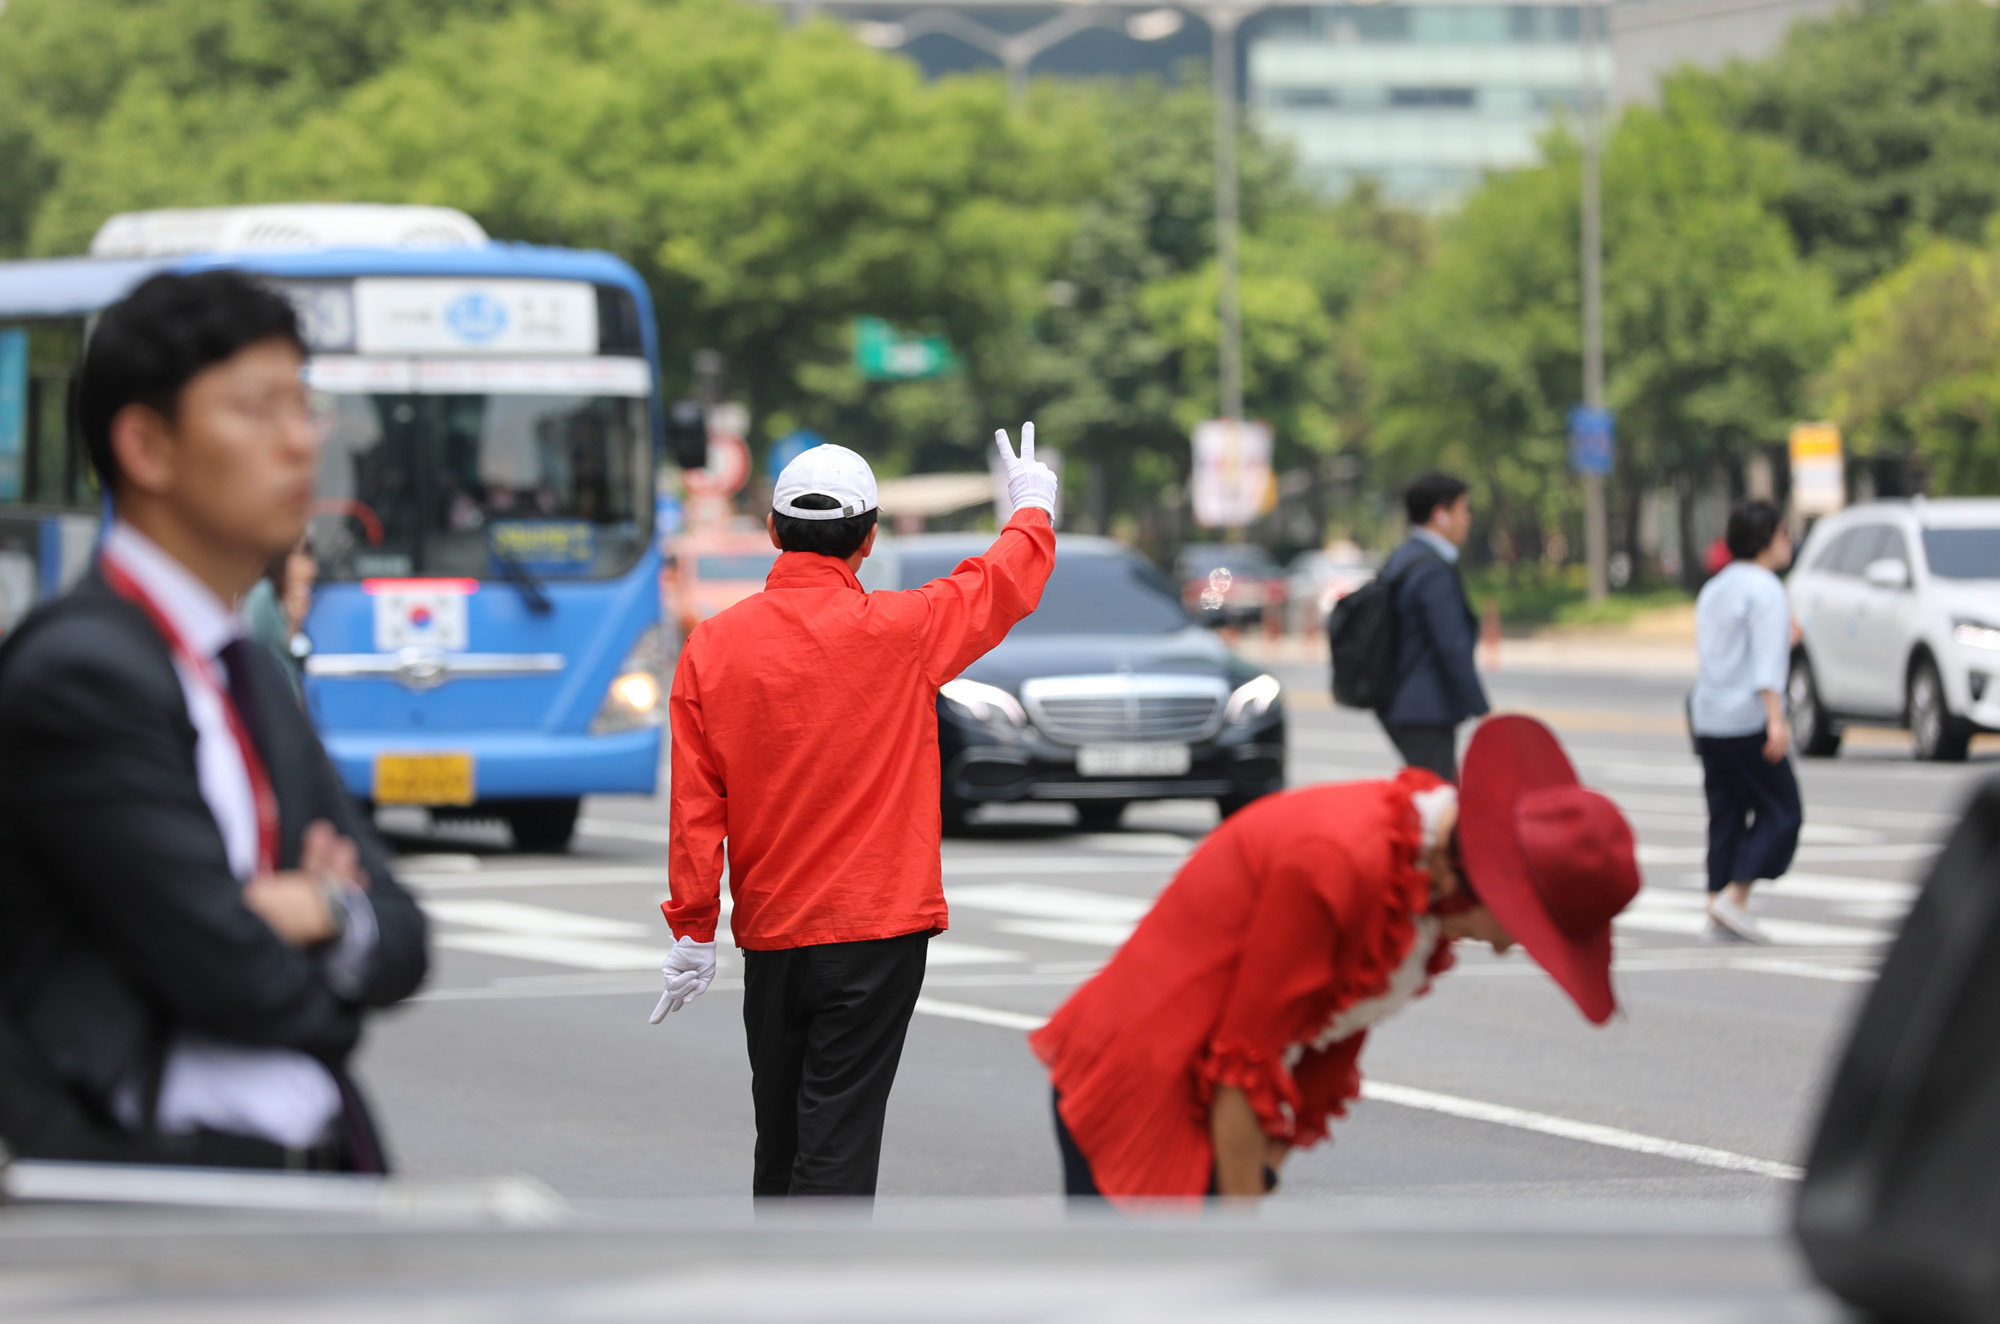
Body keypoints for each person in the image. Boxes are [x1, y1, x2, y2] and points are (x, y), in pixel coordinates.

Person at [0, 270, 428, 1170]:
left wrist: (322, 906)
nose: (299, 443)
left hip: (302, 1174)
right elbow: (229, 976)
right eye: (257, 409)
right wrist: (322, 952)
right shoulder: (82, 674)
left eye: (303, 407)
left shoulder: (244, 668)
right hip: (155, 1189)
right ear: (147, 447)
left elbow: (402, 932)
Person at [652, 430, 1058, 1199]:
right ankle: (823, 1273)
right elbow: (998, 584)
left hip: (774, 933)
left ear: (773, 530)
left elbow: (695, 807)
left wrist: (693, 929)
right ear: (868, 539)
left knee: (781, 1137)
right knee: (836, 1136)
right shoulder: (904, 631)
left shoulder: (712, 647)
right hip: (878, 930)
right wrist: (1031, 508)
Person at [1032, 715, 1640, 1203]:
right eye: (1521, 928)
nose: (1507, 948)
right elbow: (1244, 1065)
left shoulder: (1421, 878)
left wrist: (1265, 1169)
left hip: (1213, 1101)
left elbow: (1326, 1034)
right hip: (1140, 1083)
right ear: (1481, 881)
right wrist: (1236, 1237)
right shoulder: (1340, 862)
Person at [1689, 500, 1801, 944]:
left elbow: (1728, 650)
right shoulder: (1766, 588)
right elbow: (1766, 664)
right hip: (1748, 718)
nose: (1789, 542)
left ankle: (1716, 908)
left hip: (1708, 717)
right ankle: (1734, 897)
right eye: (1784, 533)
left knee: (1726, 813)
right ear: (1766, 538)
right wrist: (1776, 719)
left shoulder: (1715, 587)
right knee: (1783, 811)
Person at [1376, 472, 1489, 781]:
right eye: (1463, 510)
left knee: (1433, 793)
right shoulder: (1432, 570)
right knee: (1437, 798)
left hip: (1403, 703)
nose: (1467, 520)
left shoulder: (1404, 557)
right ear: (1441, 515)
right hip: (1424, 709)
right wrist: (1483, 711)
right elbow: (1452, 644)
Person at [244, 540, 317, 697]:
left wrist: (295, 622)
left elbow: (297, 653)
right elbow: (263, 649)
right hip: (271, 694)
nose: (312, 567)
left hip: (290, 692)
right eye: (305, 556)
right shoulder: (262, 594)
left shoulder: (290, 598)